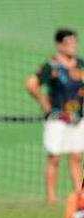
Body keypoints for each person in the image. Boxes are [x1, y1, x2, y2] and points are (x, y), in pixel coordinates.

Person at [26, 28, 84, 204]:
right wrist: (45, 104)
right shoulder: (52, 66)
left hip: (78, 118)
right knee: (55, 156)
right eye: (68, 43)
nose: (72, 46)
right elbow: (31, 84)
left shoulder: (80, 65)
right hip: (58, 118)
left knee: (76, 156)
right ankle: (52, 198)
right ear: (59, 45)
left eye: (74, 42)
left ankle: (79, 196)